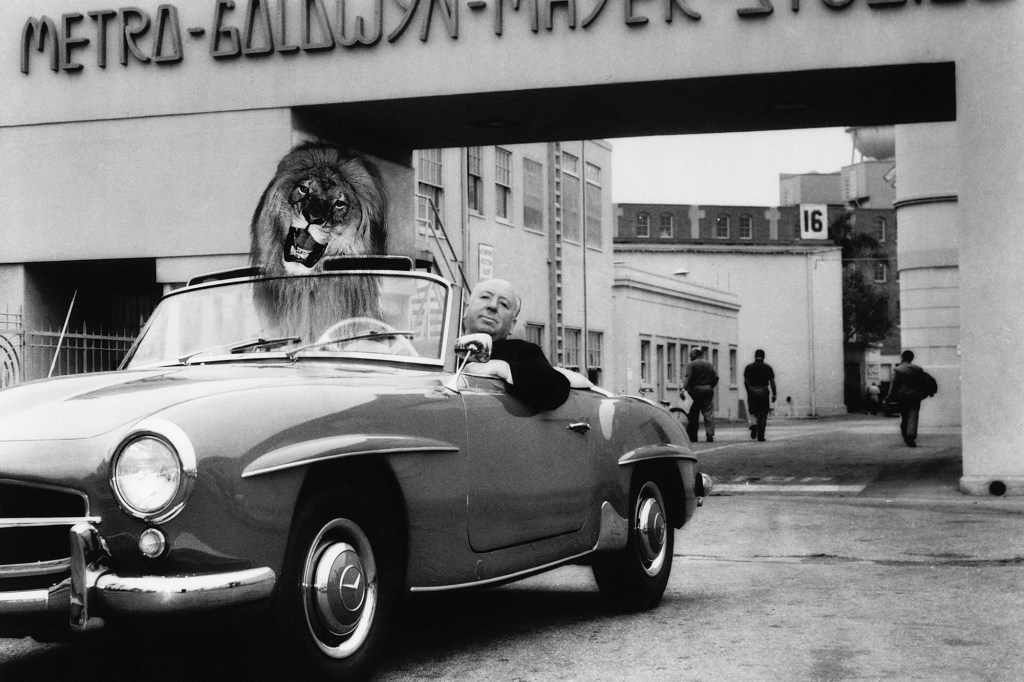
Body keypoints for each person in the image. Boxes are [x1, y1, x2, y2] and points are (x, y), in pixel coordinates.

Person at [461, 279, 570, 411]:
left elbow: (556, 386)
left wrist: (504, 369)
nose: (493, 306)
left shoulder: (521, 351)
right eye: (485, 297)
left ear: (512, 325)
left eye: (504, 304)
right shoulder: (440, 349)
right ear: (466, 310)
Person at [885, 350, 937, 447]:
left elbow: (893, 385)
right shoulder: (918, 369)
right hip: (915, 396)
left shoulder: (897, 369)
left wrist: (889, 397)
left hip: (902, 397)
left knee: (904, 416)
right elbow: (924, 381)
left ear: (902, 357)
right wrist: (929, 391)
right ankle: (911, 436)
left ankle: (905, 435)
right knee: (913, 415)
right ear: (912, 358)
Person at [682, 347, 719, 442]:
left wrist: (683, 389)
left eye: (691, 353)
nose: (690, 355)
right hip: (707, 389)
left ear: (697, 354)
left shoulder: (692, 364)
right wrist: (710, 386)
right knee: (708, 413)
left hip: (695, 390)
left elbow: (688, 377)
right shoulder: (709, 364)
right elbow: (716, 377)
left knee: (694, 413)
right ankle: (710, 434)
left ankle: (693, 436)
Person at [743, 349, 776, 442]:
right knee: (763, 413)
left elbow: (746, 381)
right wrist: (774, 394)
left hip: (753, 390)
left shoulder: (749, 367)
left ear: (755, 356)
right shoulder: (768, 368)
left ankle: (753, 424)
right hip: (763, 390)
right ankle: (761, 435)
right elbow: (772, 382)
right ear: (764, 356)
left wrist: (749, 391)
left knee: (752, 410)